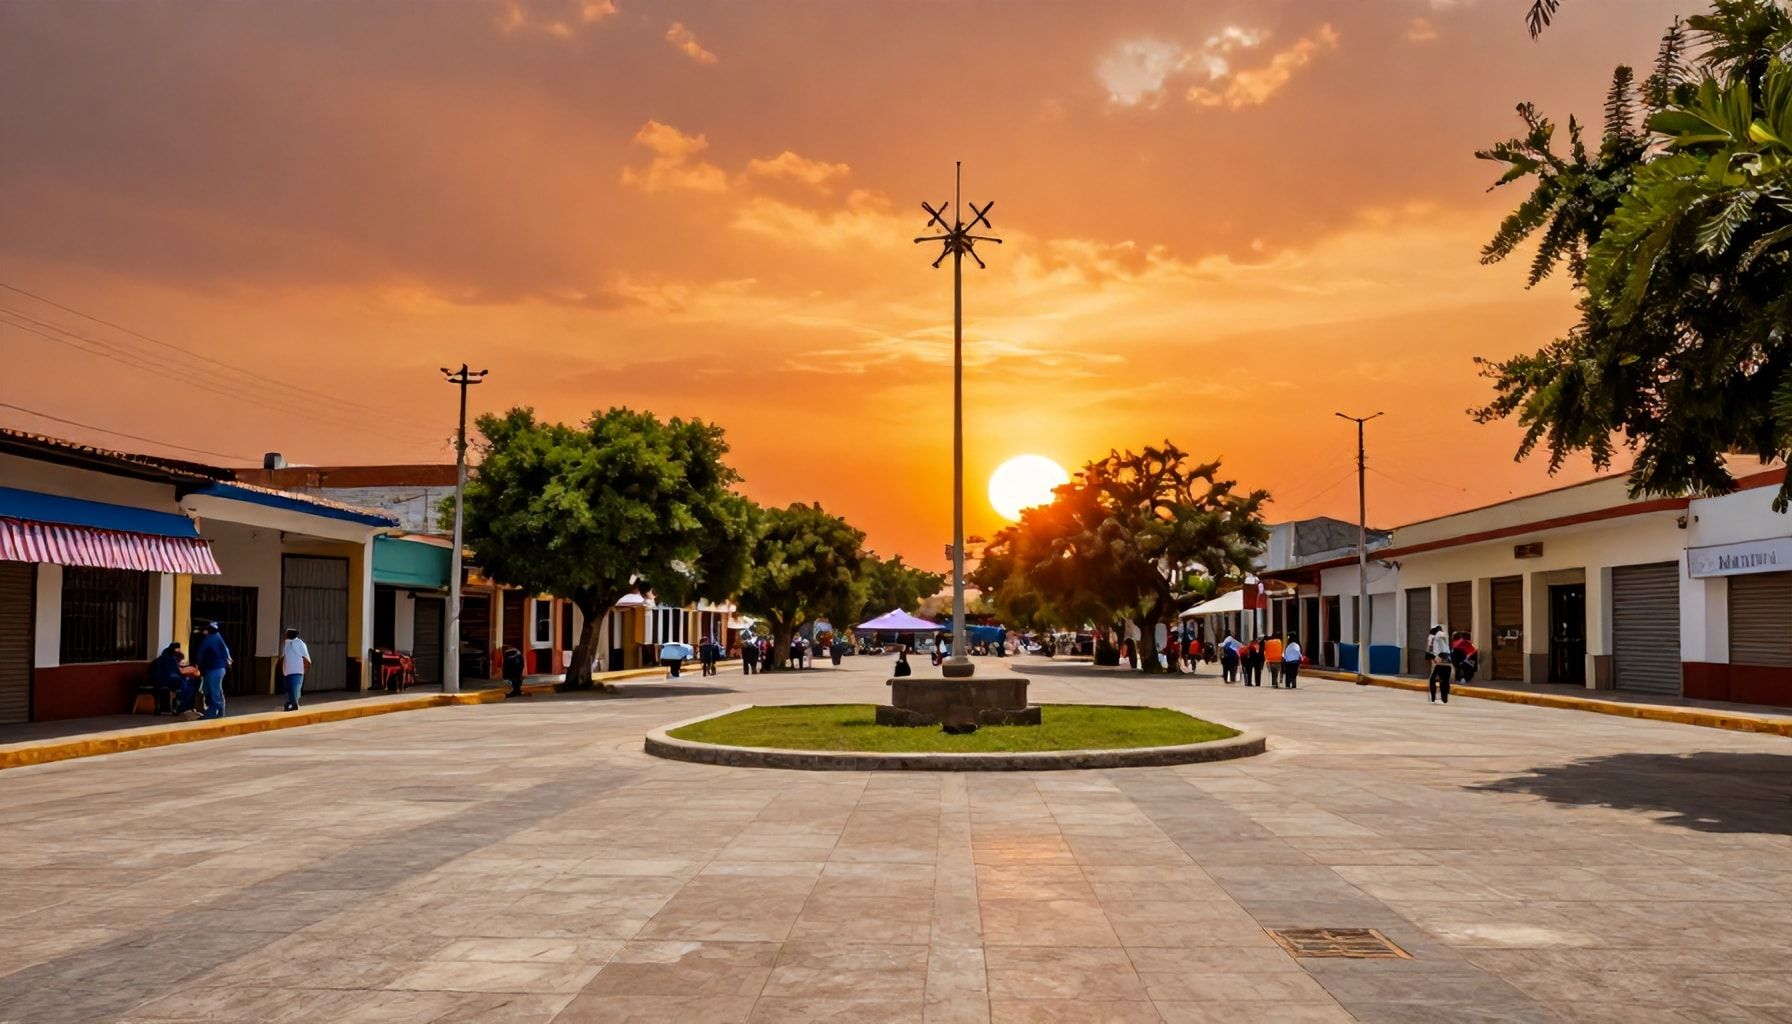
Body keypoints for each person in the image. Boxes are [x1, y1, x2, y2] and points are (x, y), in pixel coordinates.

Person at [194, 621, 231, 719]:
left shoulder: (209, 639)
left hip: (214, 668)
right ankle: (219, 710)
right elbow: (226, 652)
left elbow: (201, 653)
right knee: (215, 689)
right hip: (218, 668)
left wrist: (197, 664)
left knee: (213, 689)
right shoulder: (218, 637)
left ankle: (214, 711)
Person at [278, 628, 310, 712]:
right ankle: (291, 703)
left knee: (294, 688)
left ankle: (294, 704)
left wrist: (305, 668)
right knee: (290, 689)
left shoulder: (299, 643)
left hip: (297, 670)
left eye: (287, 634)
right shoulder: (286, 644)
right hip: (288, 670)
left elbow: (306, 657)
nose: (285, 636)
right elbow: (282, 656)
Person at [149, 642, 185, 715]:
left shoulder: (158, 660)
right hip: (169, 681)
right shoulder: (172, 660)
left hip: (157, 682)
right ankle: (176, 708)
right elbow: (176, 674)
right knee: (183, 686)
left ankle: (158, 708)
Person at [1425, 624, 1452, 703]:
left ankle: (1433, 697)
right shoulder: (1445, 637)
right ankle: (1445, 698)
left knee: (1432, 680)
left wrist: (1433, 658)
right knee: (1445, 681)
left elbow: (1429, 653)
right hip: (1448, 663)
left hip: (1440, 663)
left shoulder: (1432, 637)